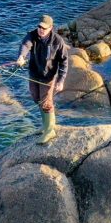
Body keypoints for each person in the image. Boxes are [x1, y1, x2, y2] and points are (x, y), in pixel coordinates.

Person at [15, 14, 70, 144]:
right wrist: (21, 56)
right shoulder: (32, 35)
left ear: (51, 28)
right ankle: (45, 126)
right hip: (34, 74)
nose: (41, 29)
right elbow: (25, 45)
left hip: (48, 77)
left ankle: (50, 130)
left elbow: (64, 62)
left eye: (44, 28)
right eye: (39, 26)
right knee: (36, 98)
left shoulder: (57, 41)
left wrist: (61, 81)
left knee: (46, 102)